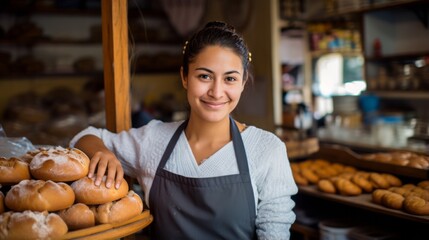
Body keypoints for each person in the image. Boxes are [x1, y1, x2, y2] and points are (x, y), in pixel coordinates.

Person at [70, 21, 298, 240]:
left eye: (230, 78)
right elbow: (84, 137)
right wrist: (103, 152)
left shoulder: (267, 149)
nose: (217, 92)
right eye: (204, 76)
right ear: (185, 77)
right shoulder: (154, 140)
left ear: (243, 83)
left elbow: (274, 231)